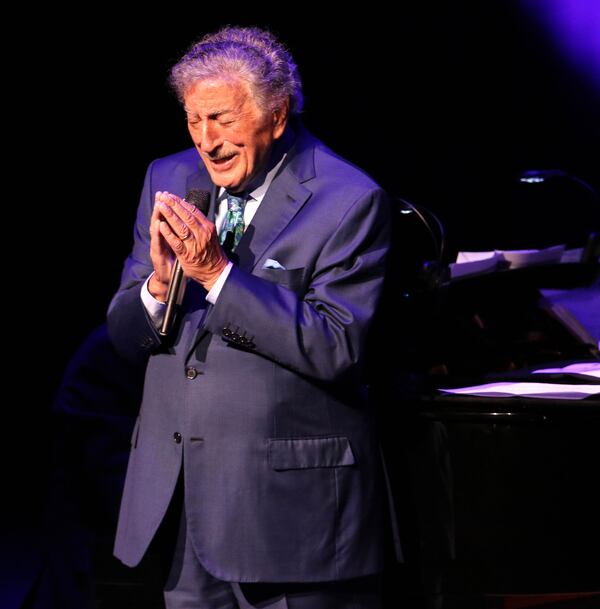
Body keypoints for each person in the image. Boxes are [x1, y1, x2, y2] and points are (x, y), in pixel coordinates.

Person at [107, 25, 393, 609]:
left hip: (288, 516)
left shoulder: (349, 199)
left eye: (223, 120)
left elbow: (336, 344)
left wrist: (217, 275)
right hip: (181, 506)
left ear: (278, 115)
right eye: (193, 120)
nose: (206, 141)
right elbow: (122, 335)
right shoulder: (168, 178)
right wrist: (161, 284)